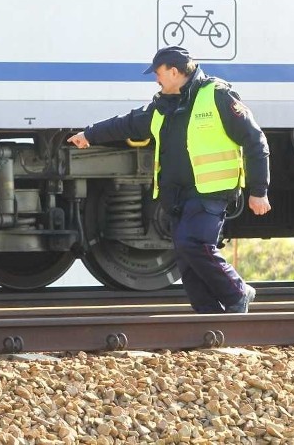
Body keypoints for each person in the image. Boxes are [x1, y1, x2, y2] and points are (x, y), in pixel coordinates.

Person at [67, 46, 270, 314]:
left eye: (158, 73)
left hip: (211, 190)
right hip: (177, 194)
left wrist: (259, 190)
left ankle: (237, 291)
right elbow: (127, 124)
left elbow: (255, 140)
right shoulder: (162, 107)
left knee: (193, 243)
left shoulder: (217, 95)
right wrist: (90, 135)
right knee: (185, 256)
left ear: (174, 72)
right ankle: (208, 316)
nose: (156, 79)